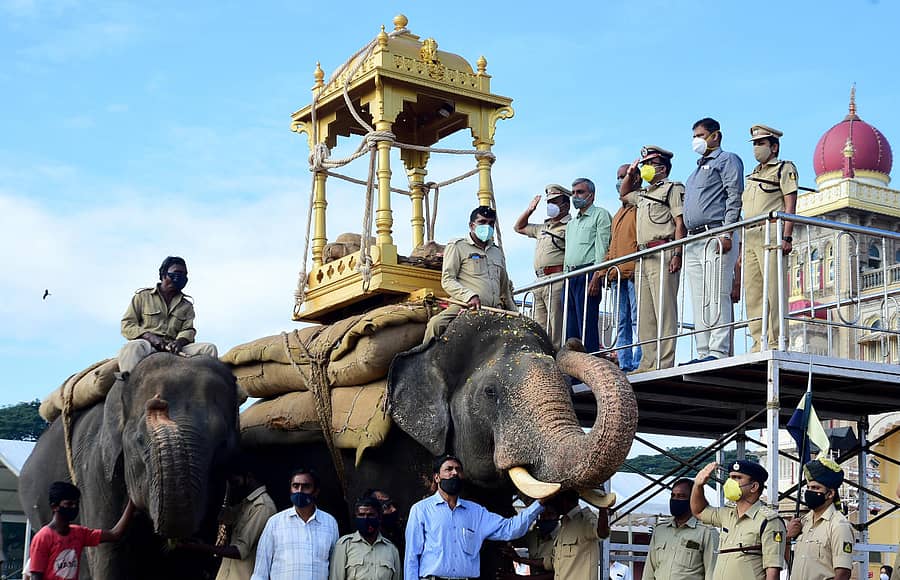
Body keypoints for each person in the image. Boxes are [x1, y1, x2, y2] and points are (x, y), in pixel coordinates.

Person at [404, 454, 546, 580]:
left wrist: (540, 503)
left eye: (458, 470)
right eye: (449, 469)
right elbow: (412, 556)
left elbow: (510, 529)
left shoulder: (476, 512)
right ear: (437, 477)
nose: (454, 473)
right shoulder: (421, 510)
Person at [682, 119, 743, 364]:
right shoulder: (695, 171)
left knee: (717, 293)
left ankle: (717, 351)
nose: (697, 139)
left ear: (715, 136)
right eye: (694, 135)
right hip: (694, 238)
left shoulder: (727, 160)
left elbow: (733, 194)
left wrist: (728, 231)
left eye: (701, 135)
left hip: (716, 233)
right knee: (699, 298)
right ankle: (702, 351)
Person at [622, 147, 685, 372]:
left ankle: (664, 361)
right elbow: (624, 194)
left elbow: (680, 223)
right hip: (643, 255)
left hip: (663, 251)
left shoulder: (672, 189)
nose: (645, 168)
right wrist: (630, 174)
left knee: (664, 311)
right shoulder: (643, 194)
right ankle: (648, 361)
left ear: (662, 167)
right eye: (644, 163)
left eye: (650, 163)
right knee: (646, 315)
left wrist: (677, 253)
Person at [736, 125, 798, 352]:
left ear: (774, 146)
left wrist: (787, 236)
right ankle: (758, 341)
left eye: (761, 143)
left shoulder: (784, 168)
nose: (756, 148)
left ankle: (776, 340)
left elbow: (790, 205)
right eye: (754, 143)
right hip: (750, 233)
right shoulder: (753, 174)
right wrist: (742, 251)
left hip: (771, 231)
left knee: (773, 290)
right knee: (753, 293)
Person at [424, 206, 517, 343]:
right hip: (466, 306)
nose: (487, 226)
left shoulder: (497, 252)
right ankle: (424, 362)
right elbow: (448, 280)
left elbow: (504, 289)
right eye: (482, 222)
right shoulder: (457, 246)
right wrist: (469, 296)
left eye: (491, 223)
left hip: (495, 311)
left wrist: (514, 311)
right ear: (471, 225)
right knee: (436, 324)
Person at [119, 256, 218, 375]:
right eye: (177, 273)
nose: (181, 277)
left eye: (184, 274)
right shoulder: (142, 297)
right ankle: (129, 386)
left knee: (209, 348)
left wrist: (179, 342)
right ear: (164, 274)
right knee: (133, 347)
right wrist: (151, 337)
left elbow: (188, 330)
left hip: (174, 349)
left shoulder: (186, 305)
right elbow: (127, 325)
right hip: (148, 345)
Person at [691, 460, 785, 580]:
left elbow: (772, 572)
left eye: (737, 478)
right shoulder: (727, 514)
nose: (730, 482)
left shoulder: (769, 521)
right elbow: (698, 511)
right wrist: (698, 485)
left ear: (754, 487)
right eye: (730, 477)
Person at [180, 465, 277, 580]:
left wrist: (201, 547)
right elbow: (224, 519)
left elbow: (239, 551)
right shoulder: (245, 504)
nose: (233, 485)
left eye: (235, 481)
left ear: (249, 477)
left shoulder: (262, 507)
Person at [28, 481, 135, 580]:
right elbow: (36, 576)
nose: (74, 507)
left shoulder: (79, 533)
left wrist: (132, 501)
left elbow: (115, 534)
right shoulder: (42, 538)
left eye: (76, 503)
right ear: (54, 507)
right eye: (69, 504)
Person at [251, 468, 339, 580]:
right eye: (295, 486)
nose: (300, 491)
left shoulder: (330, 523)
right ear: (290, 489)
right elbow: (260, 572)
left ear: (316, 491)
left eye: (306, 486)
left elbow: (335, 568)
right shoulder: (275, 523)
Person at [514, 184, 572, 347]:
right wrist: (530, 210)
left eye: (554, 201)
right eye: (548, 202)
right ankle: (544, 356)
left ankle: (558, 358)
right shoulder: (543, 227)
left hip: (557, 278)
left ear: (565, 205)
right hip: (540, 279)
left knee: (556, 325)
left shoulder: (570, 226)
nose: (550, 205)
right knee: (539, 326)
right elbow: (519, 227)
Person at [563, 178, 612, 353]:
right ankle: (573, 369)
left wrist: (597, 276)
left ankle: (591, 361)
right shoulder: (571, 223)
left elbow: (602, 247)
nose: (575, 196)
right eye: (573, 192)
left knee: (587, 325)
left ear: (591, 195)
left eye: (580, 192)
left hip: (588, 273)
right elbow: (568, 254)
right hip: (570, 277)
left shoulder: (600, 215)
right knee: (570, 328)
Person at [600, 166, 641, 372]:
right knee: (621, 321)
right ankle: (624, 363)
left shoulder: (640, 205)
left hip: (634, 272)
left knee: (637, 319)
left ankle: (639, 362)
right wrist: (603, 272)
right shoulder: (618, 214)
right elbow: (612, 246)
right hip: (617, 275)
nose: (620, 181)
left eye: (624, 177)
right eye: (618, 177)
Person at [786, 458, 853, 580]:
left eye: (816, 488)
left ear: (830, 493)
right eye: (809, 487)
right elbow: (788, 561)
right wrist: (788, 537)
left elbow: (843, 573)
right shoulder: (803, 522)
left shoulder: (838, 525)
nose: (810, 492)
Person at [644, 478, 718, 579]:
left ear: (693, 499)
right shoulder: (660, 530)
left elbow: (712, 572)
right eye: (673, 495)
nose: (675, 500)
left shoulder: (706, 531)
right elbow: (649, 569)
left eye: (681, 496)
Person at [543, 489, 609, 580]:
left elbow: (602, 532)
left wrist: (603, 506)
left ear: (564, 501)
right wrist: (522, 560)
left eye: (555, 501)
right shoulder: (564, 525)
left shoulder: (585, 519)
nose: (553, 506)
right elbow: (553, 561)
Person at [330, 497, 402, 580]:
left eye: (370, 515)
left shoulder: (391, 549)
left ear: (379, 518)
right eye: (361, 515)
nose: (365, 519)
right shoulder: (344, 545)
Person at [500, 502, 560, 579]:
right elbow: (515, 539)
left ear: (558, 516)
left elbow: (555, 572)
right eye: (542, 514)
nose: (546, 517)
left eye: (550, 514)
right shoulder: (533, 535)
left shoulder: (563, 537)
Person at [365, 488, 404, 554]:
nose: (394, 509)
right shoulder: (371, 537)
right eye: (387, 507)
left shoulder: (401, 530)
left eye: (394, 505)